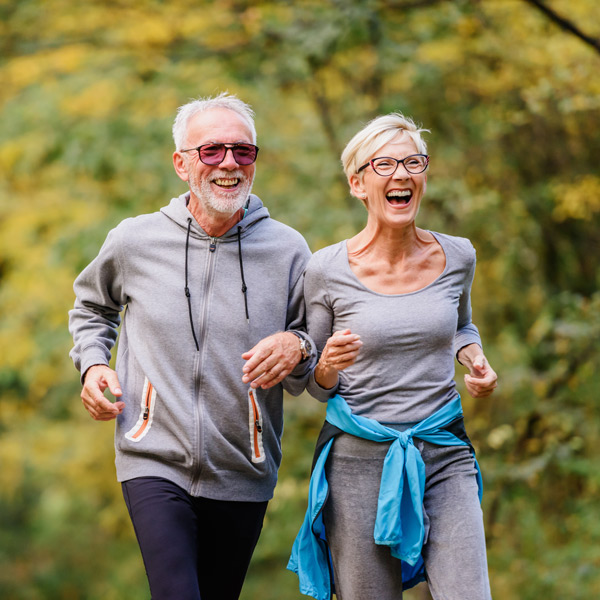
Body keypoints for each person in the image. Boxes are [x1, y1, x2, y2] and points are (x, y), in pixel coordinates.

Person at [68, 93, 316, 600]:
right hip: (151, 456)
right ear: (182, 163)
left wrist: (299, 344)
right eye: (211, 151)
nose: (229, 163)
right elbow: (92, 307)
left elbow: (310, 359)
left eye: (243, 152)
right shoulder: (134, 241)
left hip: (243, 466)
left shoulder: (289, 250)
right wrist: (93, 365)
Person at [288, 113, 498, 600]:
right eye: (383, 164)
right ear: (358, 183)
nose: (400, 174)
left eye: (412, 162)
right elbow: (310, 384)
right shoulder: (325, 270)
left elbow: (460, 325)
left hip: (443, 452)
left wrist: (475, 357)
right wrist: (328, 365)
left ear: (424, 176)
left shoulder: (458, 256)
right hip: (358, 462)